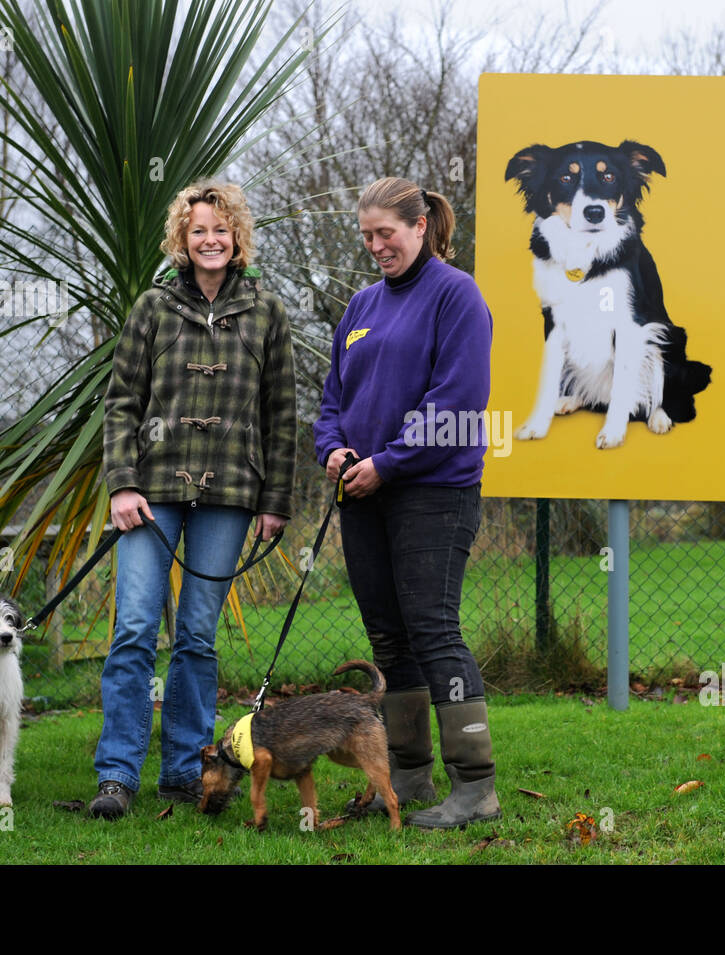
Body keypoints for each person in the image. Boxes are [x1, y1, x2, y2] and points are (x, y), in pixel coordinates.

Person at [89, 179, 296, 819]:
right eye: (198, 229)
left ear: (237, 238)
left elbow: (283, 414)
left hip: (233, 491)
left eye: (221, 229)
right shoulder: (152, 307)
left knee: (199, 638)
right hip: (151, 492)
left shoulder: (266, 311)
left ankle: (184, 770)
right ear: (182, 238)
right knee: (132, 631)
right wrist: (121, 483)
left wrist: (276, 501)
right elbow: (122, 402)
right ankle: (118, 775)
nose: (210, 240)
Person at [313, 177, 499, 828]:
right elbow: (333, 400)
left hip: (433, 492)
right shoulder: (361, 306)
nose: (375, 246)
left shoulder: (458, 296)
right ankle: (412, 778)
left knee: (434, 632)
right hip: (362, 491)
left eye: (385, 233)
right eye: (366, 236)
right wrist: (334, 450)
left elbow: (457, 401)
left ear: (421, 226)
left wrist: (386, 464)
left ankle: (475, 786)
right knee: (390, 639)